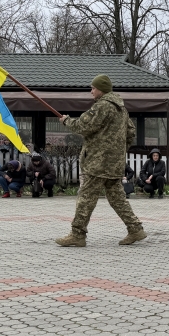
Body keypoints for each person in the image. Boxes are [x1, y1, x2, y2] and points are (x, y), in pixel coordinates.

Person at [56, 74, 146, 247]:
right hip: (114, 163)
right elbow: (131, 132)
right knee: (117, 198)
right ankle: (135, 229)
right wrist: (119, 151)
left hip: (98, 162)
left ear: (101, 89)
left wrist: (66, 121)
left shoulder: (102, 106)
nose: (91, 91)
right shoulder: (121, 109)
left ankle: (77, 234)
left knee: (86, 197)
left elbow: (84, 126)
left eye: (93, 88)